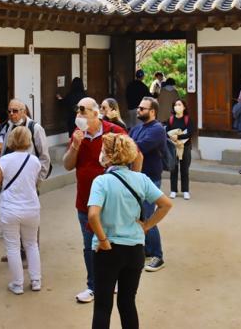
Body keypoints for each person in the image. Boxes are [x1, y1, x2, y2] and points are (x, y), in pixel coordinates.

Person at [88, 133, 173, 329]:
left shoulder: (102, 181)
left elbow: (93, 215)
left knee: (103, 305)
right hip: (134, 249)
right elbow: (166, 204)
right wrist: (147, 225)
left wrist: (102, 240)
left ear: (109, 155)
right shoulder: (141, 179)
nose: (100, 154)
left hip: (108, 249)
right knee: (127, 303)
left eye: (103, 150)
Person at [62, 97, 130, 304]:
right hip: (85, 200)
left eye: (83, 111)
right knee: (89, 244)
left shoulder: (114, 132)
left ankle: (114, 280)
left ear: (95, 113)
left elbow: (135, 157)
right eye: (77, 111)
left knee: (113, 241)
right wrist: (75, 145)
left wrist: (131, 187)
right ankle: (93, 285)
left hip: (112, 200)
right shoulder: (77, 136)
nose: (79, 115)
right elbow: (67, 165)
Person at [0, 126, 42, 295]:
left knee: (13, 247)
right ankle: (36, 280)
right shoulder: (35, 161)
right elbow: (34, 180)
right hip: (31, 206)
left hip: (10, 208)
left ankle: (18, 283)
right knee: (32, 244)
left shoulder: (5, 160)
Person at [129, 97, 168, 273]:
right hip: (136, 177)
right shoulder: (137, 128)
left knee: (147, 216)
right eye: (139, 107)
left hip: (151, 178)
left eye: (142, 108)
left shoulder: (158, 129)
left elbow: (138, 147)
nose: (139, 110)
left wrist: (127, 146)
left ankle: (158, 255)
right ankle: (146, 250)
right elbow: (128, 144)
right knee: (138, 215)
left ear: (152, 111)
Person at [0, 99, 51, 181]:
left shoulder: (35, 128)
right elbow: (4, 150)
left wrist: (38, 180)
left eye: (15, 111)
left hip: (28, 178)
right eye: (9, 111)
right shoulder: (9, 126)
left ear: (24, 112)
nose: (11, 114)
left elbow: (44, 156)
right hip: (10, 177)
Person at [166, 99, 193, 200]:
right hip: (173, 147)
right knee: (173, 169)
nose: (177, 106)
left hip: (185, 147)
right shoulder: (171, 119)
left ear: (184, 107)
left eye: (179, 104)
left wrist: (178, 137)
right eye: (175, 105)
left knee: (184, 169)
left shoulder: (187, 119)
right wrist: (171, 137)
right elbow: (167, 131)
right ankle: (173, 190)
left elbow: (190, 133)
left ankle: (185, 190)